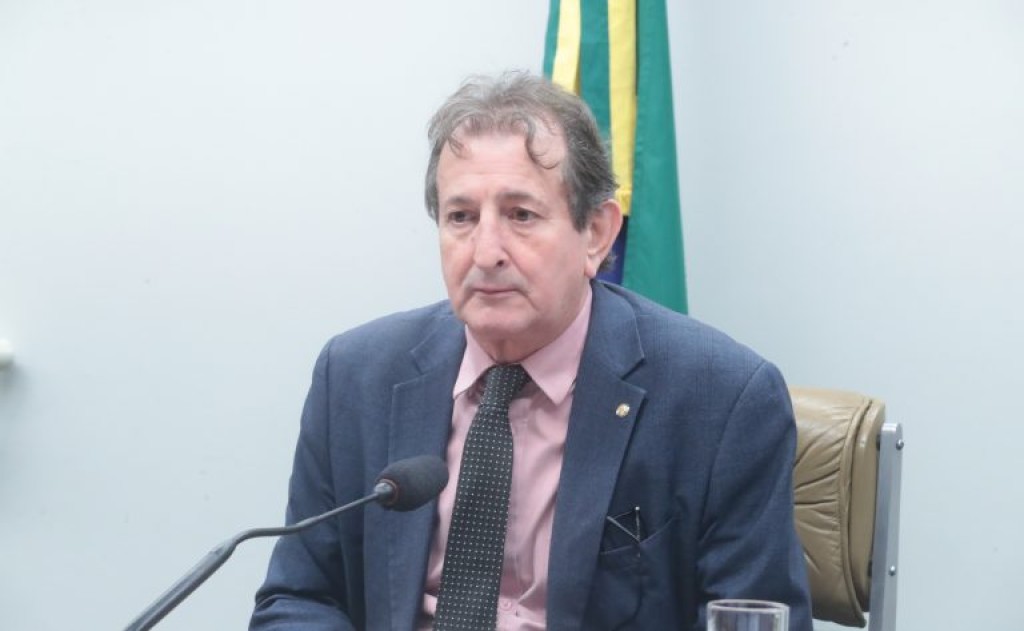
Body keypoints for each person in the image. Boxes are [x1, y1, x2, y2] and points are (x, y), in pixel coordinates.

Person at [250, 71, 812, 631]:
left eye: (521, 215)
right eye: (461, 217)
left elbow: (752, 618)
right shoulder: (356, 376)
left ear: (596, 233)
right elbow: (299, 599)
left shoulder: (720, 398)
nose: (486, 253)